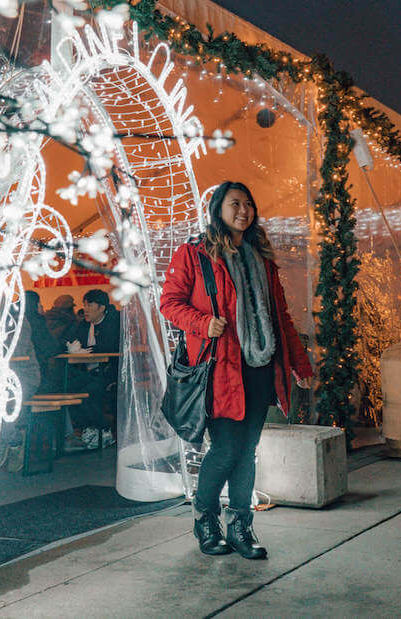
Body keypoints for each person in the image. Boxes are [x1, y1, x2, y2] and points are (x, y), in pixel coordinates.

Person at [160, 181, 313, 560]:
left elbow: (281, 319)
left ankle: (241, 527)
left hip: (260, 367)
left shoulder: (261, 257)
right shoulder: (194, 253)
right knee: (226, 448)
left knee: (247, 452)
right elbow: (169, 303)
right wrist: (200, 322)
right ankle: (205, 519)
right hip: (219, 371)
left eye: (249, 203)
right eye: (235, 203)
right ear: (217, 208)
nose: (244, 210)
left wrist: (300, 363)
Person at [62, 289, 120, 449]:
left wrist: (87, 351)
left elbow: (110, 347)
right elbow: (67, 340)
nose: (85, 310)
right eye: (84, 305)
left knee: (88, 392)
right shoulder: (83, 325)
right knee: (67, 390)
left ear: (101, 308)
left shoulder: (115, 322)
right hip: (87, 372)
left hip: (110, 372)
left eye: (90, 305)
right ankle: (90, 429)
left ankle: (103, 430)